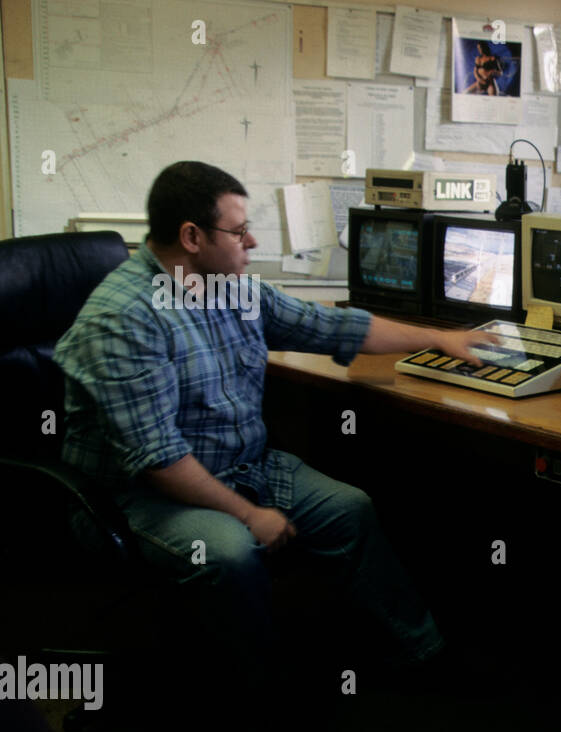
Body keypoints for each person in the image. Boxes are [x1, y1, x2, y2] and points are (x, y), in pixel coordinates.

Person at [54, 161, 488, 691]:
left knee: (350, 509)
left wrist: (438, 339)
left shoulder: (231, 287)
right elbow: (157, 460)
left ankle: (418, 651)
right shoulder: (123, 320)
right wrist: (249, 515)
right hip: (138, 496)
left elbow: (332, 325)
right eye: (238, 231)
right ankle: (259, 698)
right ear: (191, 237)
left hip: (244, 468)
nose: (252, 240)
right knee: (229, 552)